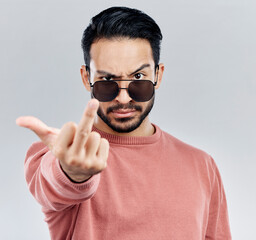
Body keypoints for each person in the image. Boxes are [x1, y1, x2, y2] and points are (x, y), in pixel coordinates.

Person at [16, 6, 232, 240]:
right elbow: (55, 183)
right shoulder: (67, 154)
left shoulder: (202, 165)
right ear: (86, 77)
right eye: (107, 80)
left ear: (158, 75)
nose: (123, 97)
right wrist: (72, 173)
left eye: (138, 78)